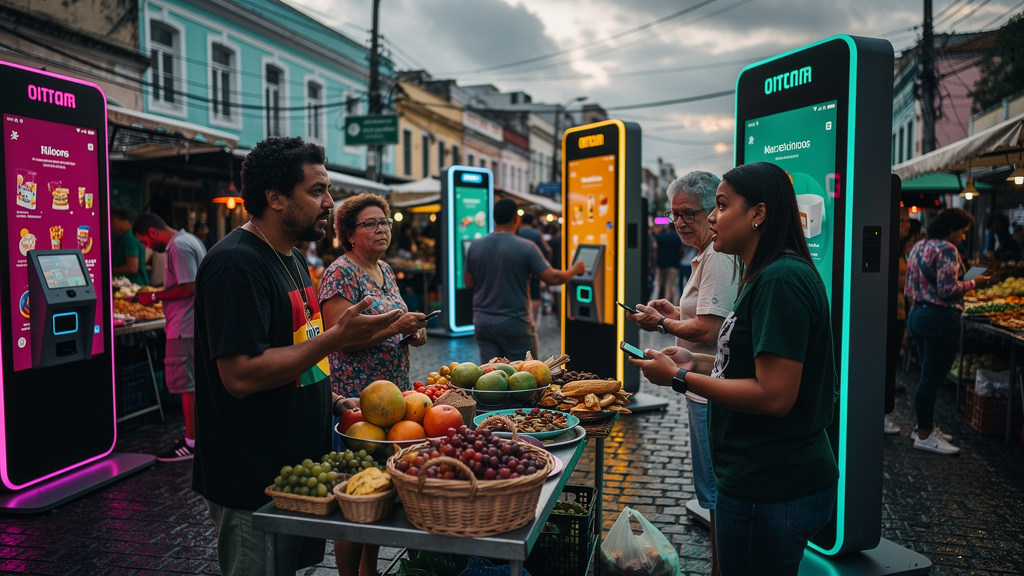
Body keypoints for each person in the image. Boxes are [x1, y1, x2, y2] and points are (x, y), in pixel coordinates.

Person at [191, 137, 402, 576]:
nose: (329, 202)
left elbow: (295, 349)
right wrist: (337, 338)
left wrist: (332, 401)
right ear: (275, 198)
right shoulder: (236, 265)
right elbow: (240, 376)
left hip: (292, 474)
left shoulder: (288, 256)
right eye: (316, 191)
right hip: (252, 480)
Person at [629, 162, 838, 575]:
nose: (709, 218)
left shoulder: (781, 279)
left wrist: (679, 377)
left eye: (720, 206)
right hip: (756, 477)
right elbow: (744, 363)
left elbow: (775, 395)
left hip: (772, 483)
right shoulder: (764, 275)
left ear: (758, 214)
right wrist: (694, 360)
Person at [624, 171, 738, 576]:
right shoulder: (707, 254)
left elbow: (709, 328)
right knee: (713, 496)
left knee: (717, 497)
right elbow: (707, 320)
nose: (680, 223)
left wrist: (661, 324)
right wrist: (676, 313)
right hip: (702, 382)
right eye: (674, 216)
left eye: (688, 214)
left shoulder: (719, 256)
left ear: (714, 211)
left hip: (711, 392)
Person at [318, 193, 429, 576]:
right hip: (355, 402)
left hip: (393, 400)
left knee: (379, 492)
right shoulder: (339, 273)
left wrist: (412, 334)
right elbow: (340, 338)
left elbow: (392, 327)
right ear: (348, 234)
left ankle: (369, 571)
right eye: (371, 223)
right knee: (354, 496)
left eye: (384, 222)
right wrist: (396, 327)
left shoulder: (386, 269)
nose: (382, 229)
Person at [904, 208, 992, 455]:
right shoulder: (947, 249)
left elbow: (912, 287)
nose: (963, 238)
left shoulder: (919, 246)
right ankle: (924, 434)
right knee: (932, 378)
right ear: (951, 229)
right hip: (939, 318)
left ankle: (923, 426)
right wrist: (976, 282)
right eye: (963, 233)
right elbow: (946, 290)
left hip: (917, 315)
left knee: (925, 376)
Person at [464, 198, 585, 363]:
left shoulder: (475, 246)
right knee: (525, 376)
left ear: (495, 219)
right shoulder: (526, 247)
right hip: (515, 322)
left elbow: (469, 283)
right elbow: (552, 277)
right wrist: (574, 271)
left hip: (483, 322)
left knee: (489, 375)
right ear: (516, 219)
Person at [132, 212, 206, 462]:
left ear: (152, 233)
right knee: (195, 384)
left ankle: (191, 442)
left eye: (144, 241)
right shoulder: (190, 240)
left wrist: (153, 297)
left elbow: (189, 285)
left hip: (184, 326)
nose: (147, 246)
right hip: (192, 324)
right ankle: (197, 438)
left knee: (189, 387)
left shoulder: (179, 246)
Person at [885, 207, 913, 435]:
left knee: (891, 363)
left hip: (899, 313)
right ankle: (879, 413)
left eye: (907, 220)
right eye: (902, 220)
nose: (907, 224)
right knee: (885, 364)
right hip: (889, 314)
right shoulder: (891, 250)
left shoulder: (902, 249)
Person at [517, 211, 552, 321]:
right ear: (533, 221)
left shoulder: (517, 232)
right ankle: (534, 319)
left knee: (521, 292)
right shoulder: (537, 234)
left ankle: (523, 317)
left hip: (518, 267)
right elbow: (548, 250)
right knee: (535, 294)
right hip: (535, 267)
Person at [110, 207, 149, 286]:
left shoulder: (130, 237)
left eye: (110, 222)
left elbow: (132, 268)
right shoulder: (129, 235)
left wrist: (110, 270)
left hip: (134, 288)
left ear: (114, 220)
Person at [654, 222, 684, 302]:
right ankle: (671, 303)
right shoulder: (677, 237)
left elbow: (655, 248)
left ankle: (660, 302)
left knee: (661, 285)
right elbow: (681, 250)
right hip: (674, 265)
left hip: (661, 264)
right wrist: (679, 258)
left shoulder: (661, 236)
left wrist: (656, 262)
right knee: (671, 284)